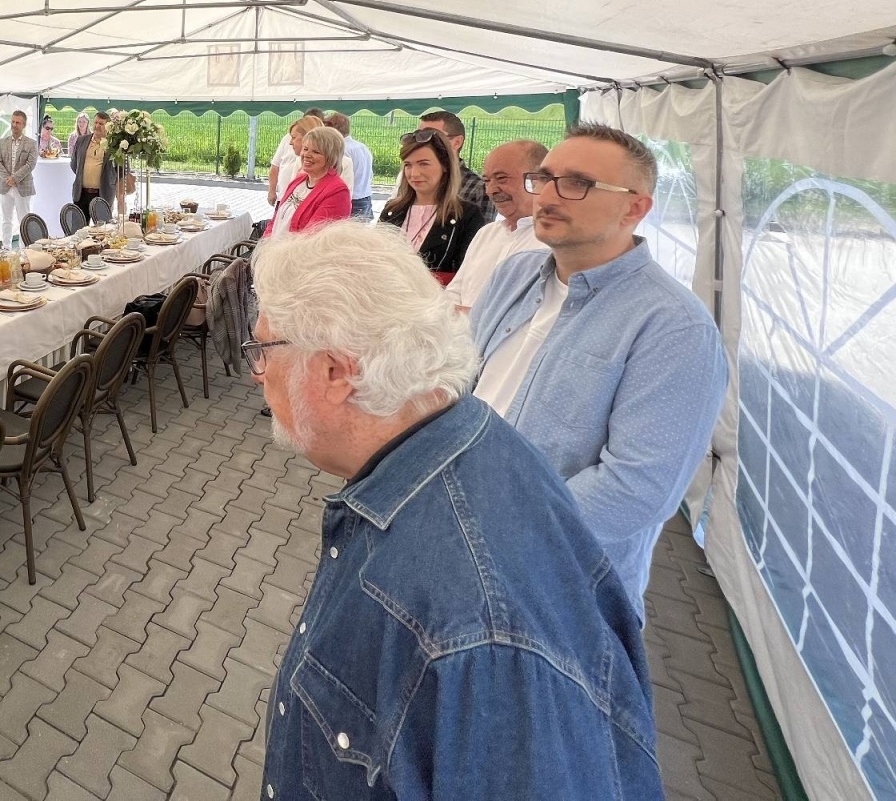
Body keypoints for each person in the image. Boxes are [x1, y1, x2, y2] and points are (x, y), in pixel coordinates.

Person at [248, 222, 662, 800]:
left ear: (336, 371)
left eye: (264, 349)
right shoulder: (469, 442)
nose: (257, 372)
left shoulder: (477, 627)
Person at [470, 123, 727, 617]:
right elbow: (463, 379)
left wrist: (497, 532)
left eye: (577, 183)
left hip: (555, 585)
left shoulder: (673, 328)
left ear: (635, 207)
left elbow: (639, 487)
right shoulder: (515, 275)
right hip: (460, 525)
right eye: (543, 178)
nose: (547, 195)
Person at [444, 139, 549, 314]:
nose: (490, 190)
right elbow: (453, 293)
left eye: (502, 178)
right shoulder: (486, 234)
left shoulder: (552, 244)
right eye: (486, 180)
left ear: (537, 180)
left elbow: (531, 314)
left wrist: (468, 316)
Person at [377, 128, 488, 283]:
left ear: (445, 166)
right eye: (408, 165)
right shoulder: (392, 210)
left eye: (424, 164)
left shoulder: (467, 215)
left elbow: (467, 274)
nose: (414, 173)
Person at [268, 125, 351, 238]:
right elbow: (276, 219)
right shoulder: (298, 181)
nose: (307, 155)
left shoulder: (337, 191)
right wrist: (266, 244)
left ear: (331, 157)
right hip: (274, 251)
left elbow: (313, 238)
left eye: (316, 152)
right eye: (305, 149)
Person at [417, 109, 496, 220]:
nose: (421, 142)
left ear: (457, 142)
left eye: (432, 136)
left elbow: (480, 235)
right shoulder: (413, 178)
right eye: (418, 136)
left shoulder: (477, 188)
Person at [265, 107, 326, 207]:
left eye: (294, 138)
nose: (290, 142)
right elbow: (275, 166)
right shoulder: (298, 159)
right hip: (284, 200)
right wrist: (272, 191)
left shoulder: (339, 163)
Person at [69, 110, 122, 219]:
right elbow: (74, 164)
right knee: (78, 230)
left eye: (101, 124)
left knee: (102, 231)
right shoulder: (81, 140)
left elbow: (121, 170)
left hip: (103, 194)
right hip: (81, 194)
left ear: (108, 126)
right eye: (96, 122)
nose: (97, 126)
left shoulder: (114, 145)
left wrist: (110, 181)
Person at [0, 110, 38, 243]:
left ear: (24, 125)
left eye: (18, 122)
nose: (14, 124)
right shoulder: (2, 142)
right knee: (6, 219)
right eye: (13, 121)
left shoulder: (31, 143)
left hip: (23, 187)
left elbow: (30, 164)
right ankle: (6, 248)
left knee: (24, 220)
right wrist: (7, 178)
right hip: (5, 186)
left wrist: (15, 178)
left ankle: (23, 250)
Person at [326, 111, 374, 219]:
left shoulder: (342, 150)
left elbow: (340, 177)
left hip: (352, 199)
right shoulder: (362, 147)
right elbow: (370, 174)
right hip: (365, 196)